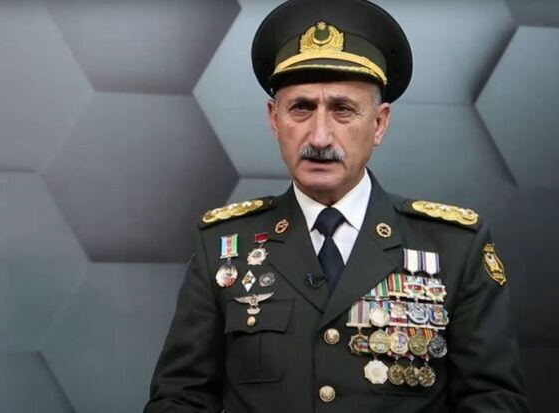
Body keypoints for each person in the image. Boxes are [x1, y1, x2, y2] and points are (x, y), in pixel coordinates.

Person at [144, 0, 528, 412]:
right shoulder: (223, 246)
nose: (320, 137)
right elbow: (180, 398)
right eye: (301, 108)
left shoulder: (454, 248)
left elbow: (493, 401)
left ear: (379, 123)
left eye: (342, 110)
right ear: (274, 119)